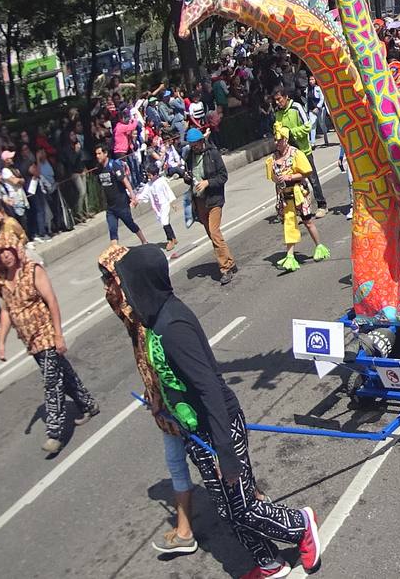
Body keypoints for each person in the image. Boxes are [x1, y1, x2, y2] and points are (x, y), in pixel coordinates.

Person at [113, 244, 323, 578]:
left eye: (127, 284)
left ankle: (301, 525)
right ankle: (269, 563)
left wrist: (225, 451)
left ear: (143, 283)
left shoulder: (173, 325)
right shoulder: (153, 321)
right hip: (195, 430)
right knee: (228, 511)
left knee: (244, 507)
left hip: (218, 426)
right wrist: (164, 405)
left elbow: (208, 387)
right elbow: (172, 378)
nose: (125, 292)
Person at [97, 243, 198, 556]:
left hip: (182, 403)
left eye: (110, 278)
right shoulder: (129, 308)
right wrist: (152, 393)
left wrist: (163, 398)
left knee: (216, 460)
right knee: (176, 461)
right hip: (163, 402)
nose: (107, 287)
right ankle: (186, 530)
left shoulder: (146, 309)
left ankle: (255, 504)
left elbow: (166, 362)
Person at [0, 228, 97, 455]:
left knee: (52, 384)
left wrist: (59, 335)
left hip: (46, 335)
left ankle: (55, 433)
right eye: (1, 253)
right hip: (30, 341)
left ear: (16, 250)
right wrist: (1, 340)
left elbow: (52, 301)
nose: (5, 256)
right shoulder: (2, 280)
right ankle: (88, 404)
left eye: (8, 251)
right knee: (64, 375)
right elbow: (7, 312)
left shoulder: (33, 271)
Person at [266, 126, 329, 272]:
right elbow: (272, 177)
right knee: (289, 224)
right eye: (275, 140)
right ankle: (290, 256)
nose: (276, 143)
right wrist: (278, 178)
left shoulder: (296, 153)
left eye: (279, 140)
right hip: (285, 195)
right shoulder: (273, 158)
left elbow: (306, 172)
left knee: (307, 222)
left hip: (299, 193)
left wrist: (290, 177)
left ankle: (319, 246)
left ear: (286, 140)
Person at [186, 128, 236, 283]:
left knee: (215, 233)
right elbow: (189, 176)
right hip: (199, 200)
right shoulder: (189, 156)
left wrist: (207, 182)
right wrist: (186, 177)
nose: (194, 148)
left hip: (214, 199)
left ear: (202, 141)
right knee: (212, 235)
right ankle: (229, 260)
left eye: (195, 144)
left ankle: (225, 268)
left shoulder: (212, 153)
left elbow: (223, 176)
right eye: (191, 145)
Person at [272, 86, 325, 215]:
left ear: (286, 97)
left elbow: (308, 126)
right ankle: (301, 209)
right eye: (275, 100)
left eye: (279, 99)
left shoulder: (296, 107)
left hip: (302, 150)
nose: (278, 102)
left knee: (312, 178)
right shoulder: (278, 113)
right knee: (294, 182)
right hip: (288, 154)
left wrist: (291, 133)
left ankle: (322, 204)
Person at [94, 143, 149, 245]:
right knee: (112, 230)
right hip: (110, 207)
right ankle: (115, 253)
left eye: (99, 153)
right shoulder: (99, 169)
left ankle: (144, 241)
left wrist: (133, 197)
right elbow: (102, 186)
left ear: (105, 153)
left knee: (130, 224)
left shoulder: (113, 165)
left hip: (121, 203)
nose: (97, 156)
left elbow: (125, 181)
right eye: (96, 154)